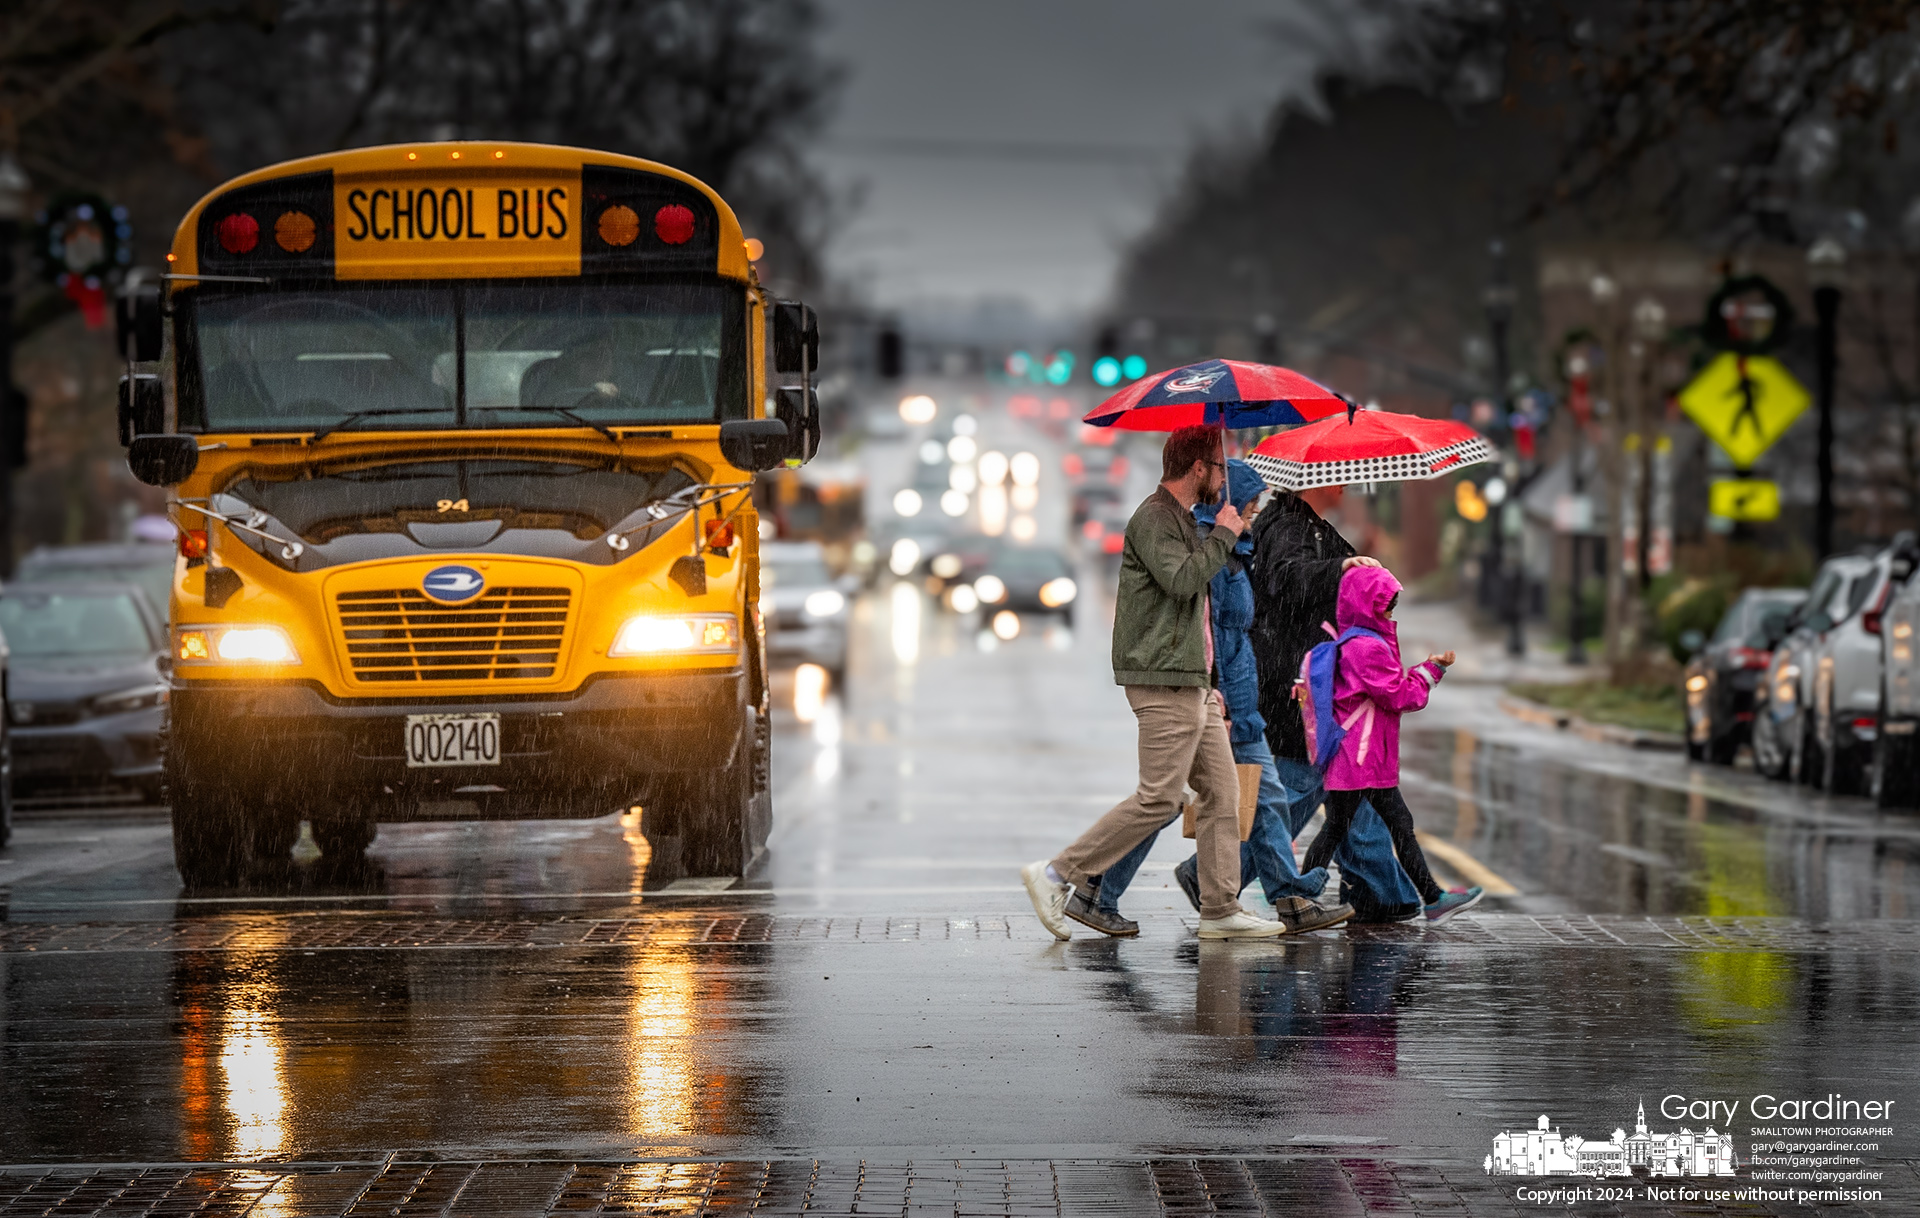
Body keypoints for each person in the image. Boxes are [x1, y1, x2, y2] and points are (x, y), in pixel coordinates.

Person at [1022, 426, 1287, 941]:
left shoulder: (1184, 520)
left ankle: (1220, 909)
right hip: (1162, 678)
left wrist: (1210, 679)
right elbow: (1184, 581)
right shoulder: (1154, 518)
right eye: (1217, 465)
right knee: (1161, 798)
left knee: (1221, 794)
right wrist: (1225, 534)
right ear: (1196, 469)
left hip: (1192, 680)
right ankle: (1056, 874)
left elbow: (1200, 612)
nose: (1223, 477)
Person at [1077, 459, 1354, 936]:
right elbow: (1210, 637)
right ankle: (1095, 884)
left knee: (1266, 800)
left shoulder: (1236, 553)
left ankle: (1289, 898)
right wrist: (1218, 698)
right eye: (1248, 505)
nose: (1254, 513)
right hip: (1220, 704)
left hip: (1244, 706)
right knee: (1166, 802)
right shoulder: (1214, 556)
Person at [1249, 483, 1423, 922]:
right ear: (1314, 483)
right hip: (1298, 683)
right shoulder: (1288, 526)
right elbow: (1289, 580)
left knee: (1350, 793)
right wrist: (1343, 567)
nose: (1345, 485)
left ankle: (1383, 894)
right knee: (1299, 792)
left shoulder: (1306, 524)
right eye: (1338, 477)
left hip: (1314, 680)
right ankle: (1214, 876)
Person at [1297, 564, 1483, 923]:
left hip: (1357, 755)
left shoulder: (1353, 640)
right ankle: (1301, 896)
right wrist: (1431, 671)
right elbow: (1399, 696)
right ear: (1367, 605)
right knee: (1367, 826)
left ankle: (1303, 895)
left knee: (1351, 826)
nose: (1389, 613)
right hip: (1362, 757)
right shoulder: (1367, 648)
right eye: (1385, 606)